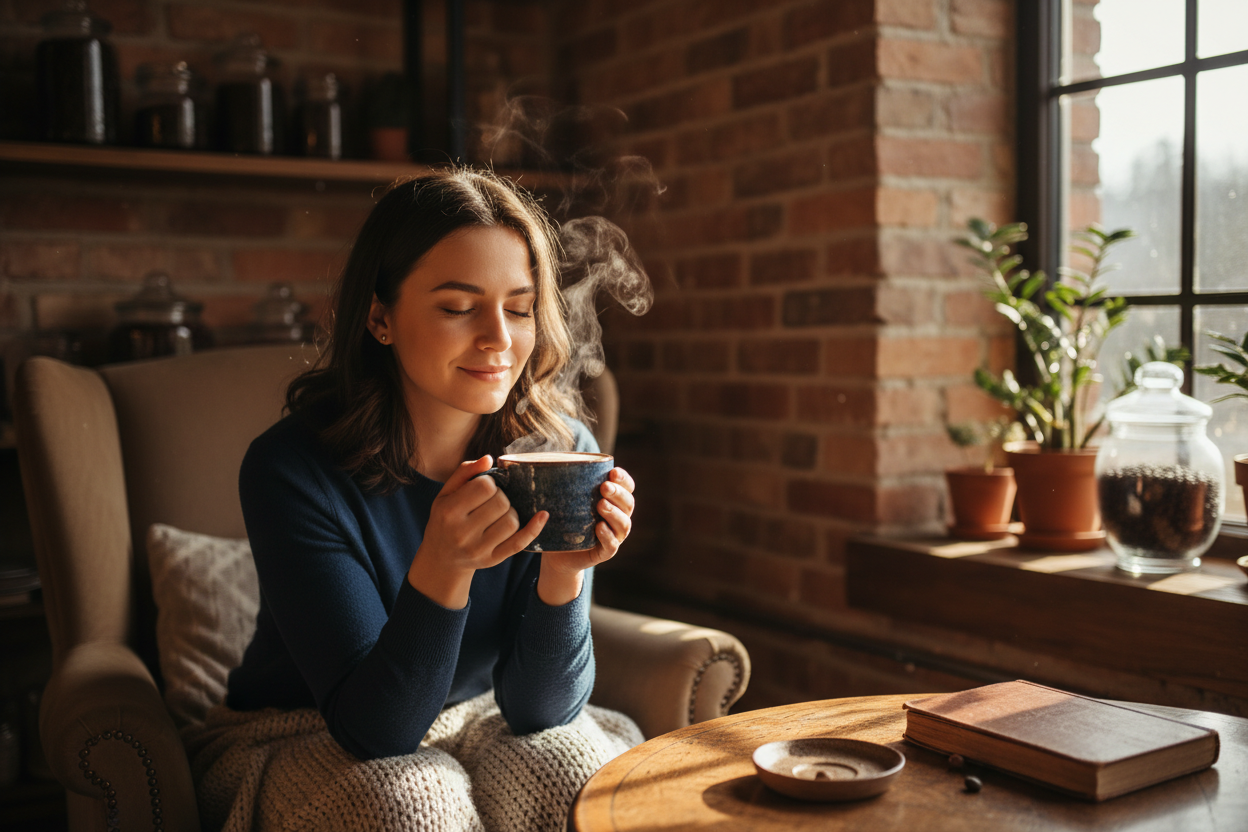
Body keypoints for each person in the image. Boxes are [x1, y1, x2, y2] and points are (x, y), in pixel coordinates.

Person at [184, 168, 644, 832]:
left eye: (518, 307)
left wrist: (565, 572)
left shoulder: (556, 446)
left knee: (573, 776)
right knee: (410, 804)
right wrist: (444, 566)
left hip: (477, 713)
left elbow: (541, 713)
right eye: (459, 307)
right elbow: (375, 731)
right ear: (380, 317)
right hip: (302, 726)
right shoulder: (292, 468)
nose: (498, 338)